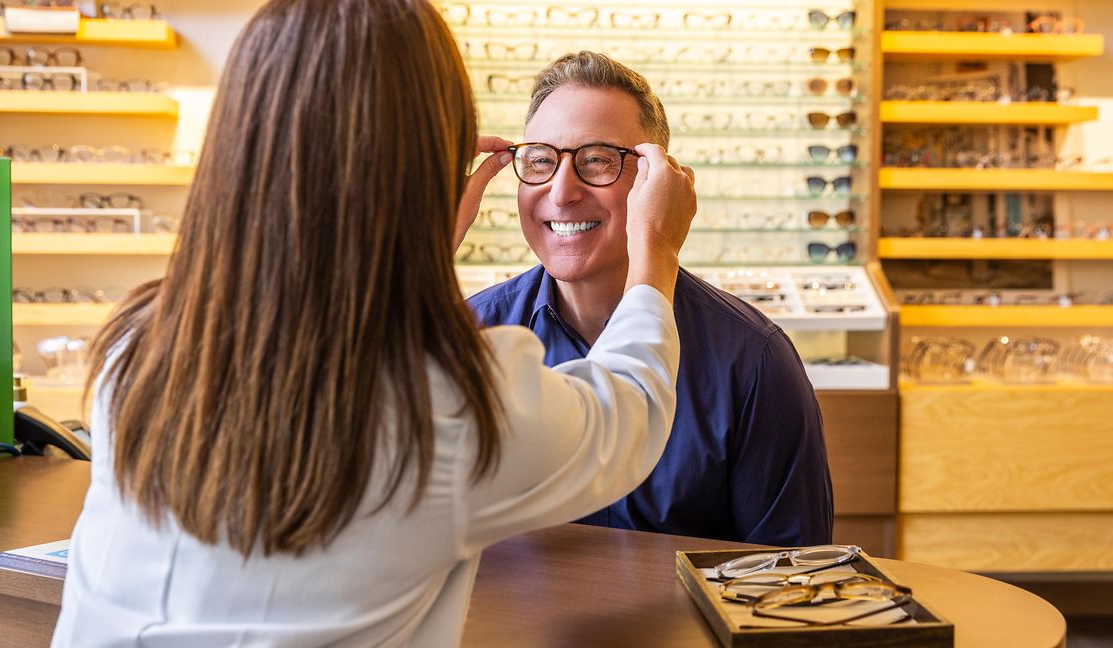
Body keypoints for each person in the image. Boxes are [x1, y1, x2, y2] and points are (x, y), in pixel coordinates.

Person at [51, 1, 698, 646]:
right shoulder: (445, 405)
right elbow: (632, 408)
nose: (562, 188)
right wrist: (656, 248)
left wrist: (416, 241)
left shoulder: (136, 344)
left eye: (596, 159)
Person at [468, 52, 834, 547]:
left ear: (657, 180)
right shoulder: (468, 337)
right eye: (540, 161)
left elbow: (791, 575)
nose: (561, 192)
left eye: (596, 160)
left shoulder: (752, 360)